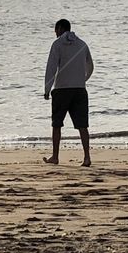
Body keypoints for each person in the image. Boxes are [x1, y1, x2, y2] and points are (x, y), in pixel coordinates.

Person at [43, 19, 94, 167]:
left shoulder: (58, 44)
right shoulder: (82, 44)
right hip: (79, 89)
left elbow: (51, 67)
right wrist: (83, 79)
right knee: (82, 125)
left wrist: (47, 89)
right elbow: (90, 66)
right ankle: (87, 157)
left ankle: (55, 156)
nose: (55, 33)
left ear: (60, 29)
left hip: (61, 89)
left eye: (55, 29)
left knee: (57, 124)